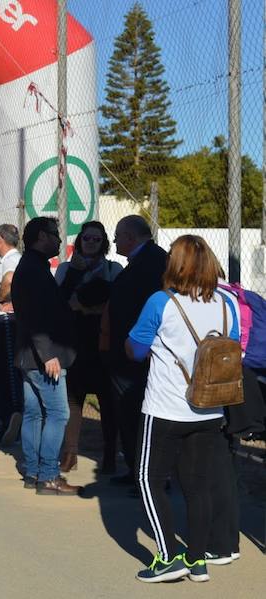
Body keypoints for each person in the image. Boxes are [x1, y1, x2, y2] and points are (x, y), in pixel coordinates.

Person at [126, 235, 240, 583]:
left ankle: (166, 557)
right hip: (209, 410)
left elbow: (136, 350)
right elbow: (234, 348)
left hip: (165, 408)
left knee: (148, 480)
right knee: (198, 485)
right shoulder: (226, 304)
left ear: (175, 265)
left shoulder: (161, 302)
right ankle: (196, 560)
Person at [11, 217, 80, 495]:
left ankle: (33, 472)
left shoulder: (32, 267)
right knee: (58, 413)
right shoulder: (33, 270)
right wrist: (49, 355)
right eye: (55, 234)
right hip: (42, 357)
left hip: (29, 356)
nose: (60, 240)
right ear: (41, 237)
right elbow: (34, 317)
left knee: (33, 413)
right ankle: (49, 475)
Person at [54, 221, 123, 473]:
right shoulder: (64, 269)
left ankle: (109, 456)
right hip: (75, 343)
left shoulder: (113, 269)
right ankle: (70, 453)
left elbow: (115, 304)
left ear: (103, 242)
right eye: (87, 239)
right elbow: (60, 302)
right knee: (73, 400)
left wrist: (85, 307)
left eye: (96, 239)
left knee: (107, 401)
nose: (91, 243)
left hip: (103, 342)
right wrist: (74, 274)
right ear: (79, 241)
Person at [105, 215, 168, 486]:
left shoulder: (150, 264)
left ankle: (147, 476)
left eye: (118, 236)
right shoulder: (151, 260)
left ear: (130, 237)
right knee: (132, 414)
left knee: (135, 414)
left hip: (138, 353)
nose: (115, 241)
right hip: (136, 350)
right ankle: (137, 471)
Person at [0, 224, 24, 443]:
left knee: (7, 372)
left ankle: (14, 416)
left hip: (5, 321)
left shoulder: (10, 260)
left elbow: (9, 279)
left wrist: (1, 300)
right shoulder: (9, 259)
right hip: (1, 322)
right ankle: (10, 419)